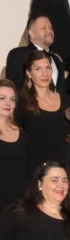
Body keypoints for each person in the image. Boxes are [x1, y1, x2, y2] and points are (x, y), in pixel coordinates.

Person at [0, 161, 70, 240]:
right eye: (54, 180)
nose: (61, 185)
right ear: (39, 184)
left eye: (65, 181)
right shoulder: (19, 213)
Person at [15, 51, 70, 166]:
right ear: (29, 73)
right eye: (38, 69)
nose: (45, 73)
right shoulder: (21, 103)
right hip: (36, 170)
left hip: (66, 169)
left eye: (48, 68)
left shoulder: (67, 100)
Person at [6, 15, 66, 93]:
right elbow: (13, 89)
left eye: (51, 27)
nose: (50, 31)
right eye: (44, 28)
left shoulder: (57, 59)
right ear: (31, 33)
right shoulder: (19, 55)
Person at [0, 79, 33, 212]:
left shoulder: (23, 136)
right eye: (2, 98)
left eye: (12, 99)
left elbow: (30, 173)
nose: (8, 103)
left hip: (20, 208)